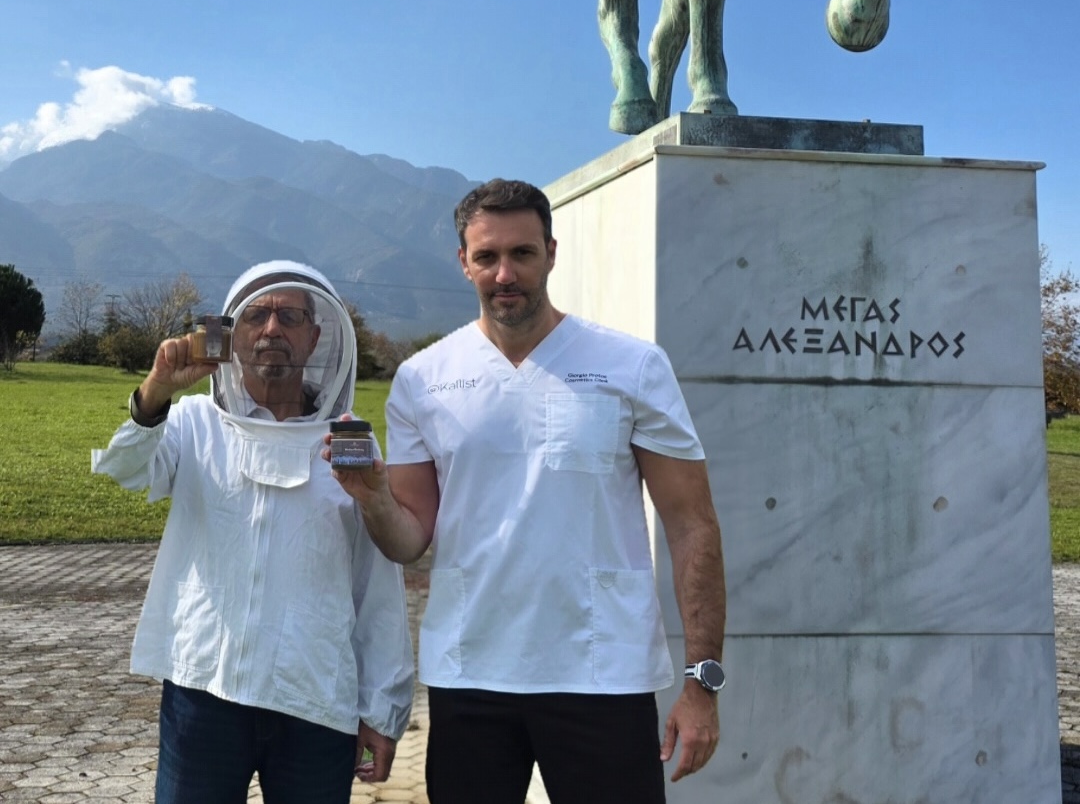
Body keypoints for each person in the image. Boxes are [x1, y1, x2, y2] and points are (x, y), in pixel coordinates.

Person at [331, 179, 727, 804]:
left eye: (522, 253)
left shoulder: (632, 366)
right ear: (464, 262)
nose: (505, 273)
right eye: (486, 256)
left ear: (551, 253)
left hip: (603, 672)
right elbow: (409, 541)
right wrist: (374, 496)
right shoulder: (423, 379)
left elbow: (691, 524)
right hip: (471, 674)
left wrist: (702, 682)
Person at [92, 261, 413, 804]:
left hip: (314, 700)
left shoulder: (347, 441)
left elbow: (377, 583)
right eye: (257, 316)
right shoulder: (194, 422)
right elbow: (126, 468)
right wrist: (155, 390)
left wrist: (383, 711)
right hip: (204, 690)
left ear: (316, 337)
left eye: (291, 317)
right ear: (233, 334)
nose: (272, 329)